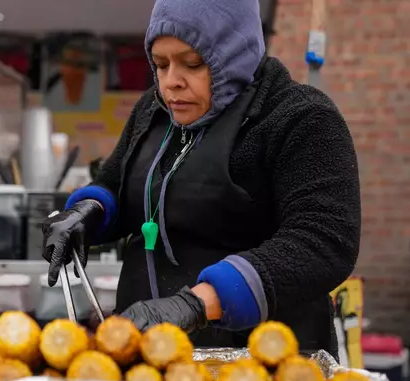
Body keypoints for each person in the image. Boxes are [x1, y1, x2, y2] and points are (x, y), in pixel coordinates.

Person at [42, 0, 360, 358]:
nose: (170, 82)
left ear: (233, 53)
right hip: (148, 349)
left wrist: (196, 305)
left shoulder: (300, 117)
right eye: (160, 65)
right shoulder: (154, 111)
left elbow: (323, 243)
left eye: (192, 63)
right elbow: (116, 180)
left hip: (261, 358)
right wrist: (88, 211)